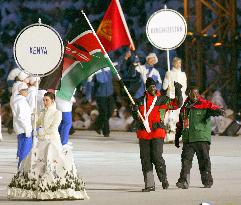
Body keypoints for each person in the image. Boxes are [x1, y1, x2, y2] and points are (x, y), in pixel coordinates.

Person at [8, 92, 88, 200]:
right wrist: (34, 117)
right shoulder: (42, 112)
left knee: (53, 162)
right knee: (38, 163)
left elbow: (54, 128)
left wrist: (42, 132)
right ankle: (37, 187)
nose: (45, 102)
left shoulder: (57, 113)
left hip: (52, 141)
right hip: (42, 142)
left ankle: (56, 186)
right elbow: (36, 123)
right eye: (44, 100)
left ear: (52, 101)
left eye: (47, 100)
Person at [132, 77, 183, 192]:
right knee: (145, 159)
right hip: (143, 133)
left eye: (154, 86)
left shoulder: (163, 100)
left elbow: (177, 104)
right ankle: (149, 184)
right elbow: (136, 117)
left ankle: (163, 179)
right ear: (146, 89)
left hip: (157, 133)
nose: (153, 89)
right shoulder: (140, 101)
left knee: (156, 157)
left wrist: (178, 90)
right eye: (150, 87)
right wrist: (134, 110)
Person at [175, 87, 224, 189]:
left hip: (201, 138)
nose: (195, 96)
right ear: (189, 94)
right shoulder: (184, 108)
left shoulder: (205, 104)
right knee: (185, 161)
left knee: (204, 160)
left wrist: (219, 111)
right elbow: (180, 124)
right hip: (188, 139)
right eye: (192, 94)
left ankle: (207, 181)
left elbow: (213, 109)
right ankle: (184, 181)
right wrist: (177, 137)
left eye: (197, 94)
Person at [162, 57, 187, 143]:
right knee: (170, 117)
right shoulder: (169, 73)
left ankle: (181, 136)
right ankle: (170, 137)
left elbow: (184, 87)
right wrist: (167, 80)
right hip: (171, 97)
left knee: (181, 116)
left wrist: (179, 94)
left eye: (180, 63)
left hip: (180, 98)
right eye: (177, 63)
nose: (178, 64)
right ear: (173, 63)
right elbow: (164, 87)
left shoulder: (183, 74)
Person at [85, 68, 115, 137]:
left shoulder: (108, 68)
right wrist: (89, 95)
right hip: (100, 95)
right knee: (104, 112)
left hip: (110, 93)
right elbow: (91, 83)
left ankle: (97, 126)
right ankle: (106, 132)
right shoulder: (94, 71)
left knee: (110, 111)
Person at [10, 82, 33, 167]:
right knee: (25, 151)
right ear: (20, 91)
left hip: (21, 128)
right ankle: (21, 169)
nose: (27, 91)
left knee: (22, 150)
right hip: (24, 129)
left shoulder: (18, 99)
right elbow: (21, 117)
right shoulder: (20, 102)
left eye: (27, 89)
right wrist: (27, 130)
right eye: (25, 90)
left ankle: (21, 168)